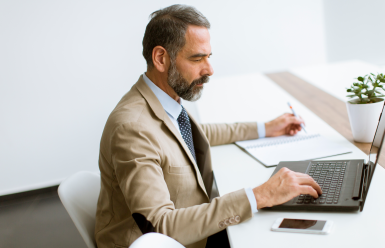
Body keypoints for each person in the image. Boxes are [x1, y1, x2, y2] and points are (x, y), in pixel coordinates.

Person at [95, 4, 322, 248]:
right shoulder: (132, 129)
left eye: (208, 56)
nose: (210, 69)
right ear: (161, 58)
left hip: (192, 228)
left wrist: (265, 128)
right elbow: (161, 227)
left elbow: (196, 135)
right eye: (197, 58)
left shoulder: (165, 98)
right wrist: (260, 195)